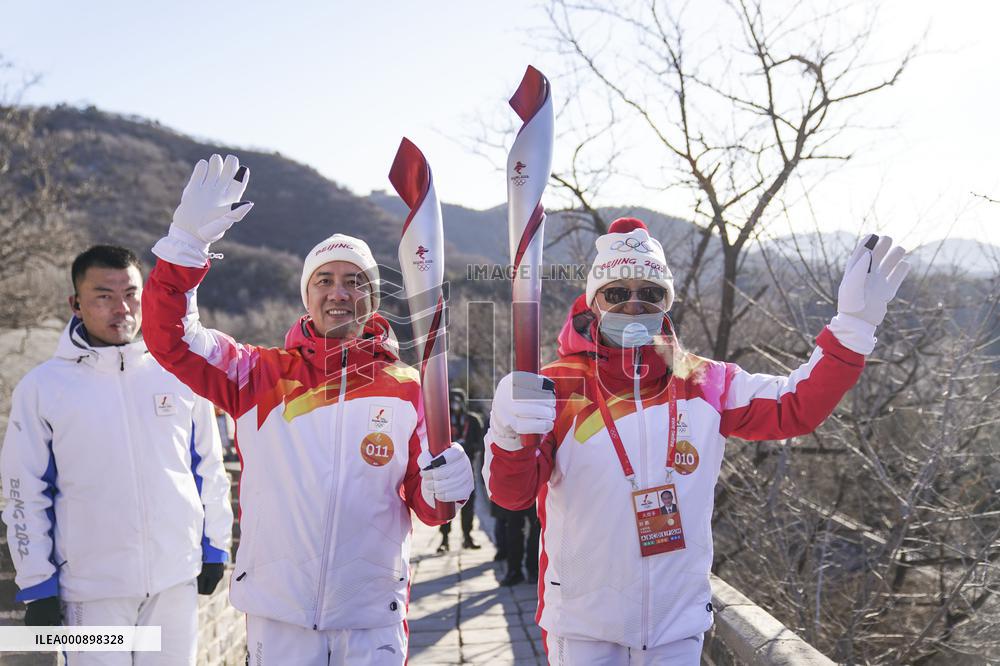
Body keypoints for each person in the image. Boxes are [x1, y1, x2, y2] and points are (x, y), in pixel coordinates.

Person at [484, 218, 910, 664]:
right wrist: (509, 434)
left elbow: (796, 405)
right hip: (585, 624)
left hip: (676, 624)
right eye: (617, 293)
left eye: (649, 293)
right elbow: (511, 496)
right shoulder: (554, 387)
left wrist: (853, 328)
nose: (633, 306)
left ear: (666, 301)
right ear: (593, 300)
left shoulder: (707, 382)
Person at [141, 154, 474, 665]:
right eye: (325, 280)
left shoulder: (409, 388)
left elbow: (428, 507)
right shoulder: (255, 373)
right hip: (280, 618)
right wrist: (185, 247)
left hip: (371, 618)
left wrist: (446, 487)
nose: (339, 292)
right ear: (308, 295)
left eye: (354, 281)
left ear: (372, 297)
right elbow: (171, 339)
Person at [1, 245, 232, 665]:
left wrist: (215, 546)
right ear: (76, 303)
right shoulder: (43, 389)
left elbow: (207, 466)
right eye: (103, 296)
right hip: (92, 594)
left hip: (173, 583)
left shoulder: (178, 374)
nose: (121, 308)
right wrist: (38, 585)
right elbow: (23, 492)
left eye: (130, 294)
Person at [437, 388, 484, 552]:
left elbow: (480, 443)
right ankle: (444, 538)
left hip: (467, 468)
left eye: (458, 400)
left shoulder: (472, 420)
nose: (455, 404)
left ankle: (467, 536)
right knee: (445, 503)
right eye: (452, 400)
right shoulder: (443, 421)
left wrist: (466, 447)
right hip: (447, 469)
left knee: (469, 505)